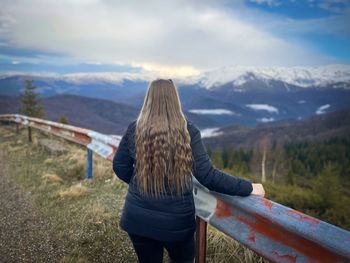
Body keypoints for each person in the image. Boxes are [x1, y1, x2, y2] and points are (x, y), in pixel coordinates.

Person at [112, 79, 265, 263]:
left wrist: (143, 184)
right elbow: (208, 176)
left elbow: (120, 166)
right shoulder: (188, 131)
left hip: (137, 220)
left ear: (148, 99)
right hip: (175, 225)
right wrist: (249, 188)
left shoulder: (135, 129)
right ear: (175, 99)